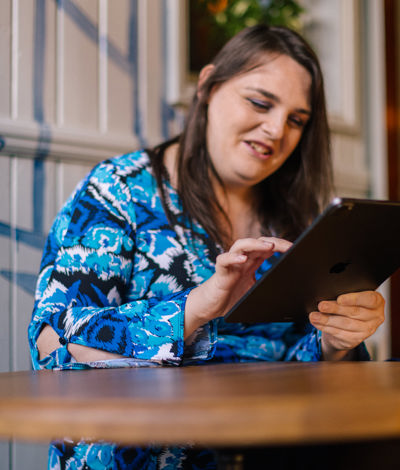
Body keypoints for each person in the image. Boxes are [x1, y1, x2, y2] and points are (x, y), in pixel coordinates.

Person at [28, 24, 385, 469]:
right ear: (208, 86)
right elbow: (52, 343)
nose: (276, 130)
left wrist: (336, 341)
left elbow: (294, 362)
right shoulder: (119, 192)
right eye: (259, 102)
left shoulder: (289, 218)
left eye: (297, 120)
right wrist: (195, 306)